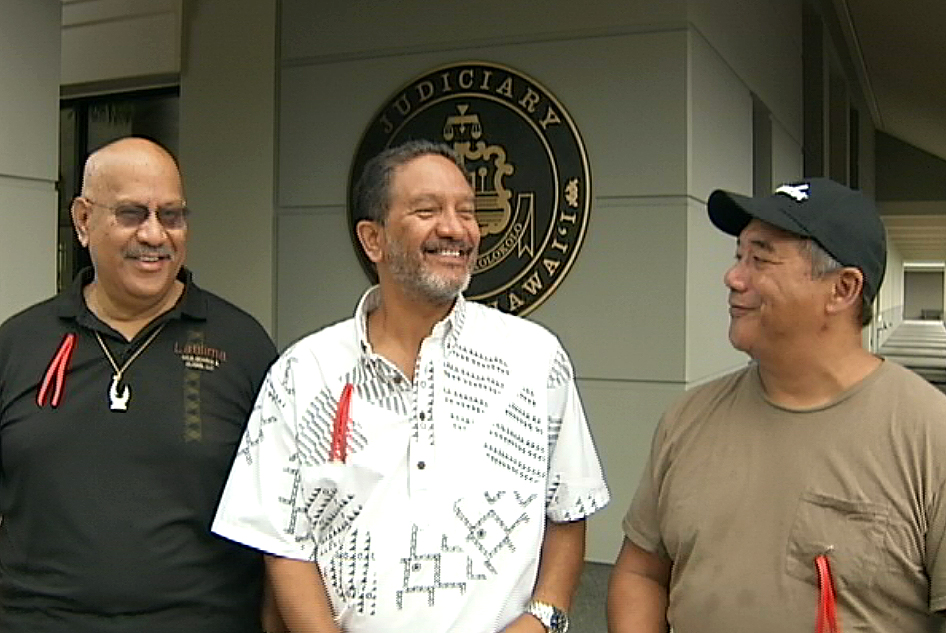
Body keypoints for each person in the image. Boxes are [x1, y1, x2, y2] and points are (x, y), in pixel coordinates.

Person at [212, 139, 609, 633]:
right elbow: (284, 543)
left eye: (467, 211)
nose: (455, 228)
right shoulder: (303, 372)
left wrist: (544, 618)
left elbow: (568, 508)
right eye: (427, 210)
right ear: (372, 239)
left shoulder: (535, 359)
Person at [607, 178, 946, 632]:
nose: (733, 277)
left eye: (761, 259)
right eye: (738, 256)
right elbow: (642, 573)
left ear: (843, 289)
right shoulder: (687, 419)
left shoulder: (929, 435)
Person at [0, 137, 279, 633]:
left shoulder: (243, 346)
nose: (155, 235)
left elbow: (281, 518)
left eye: (171, 216)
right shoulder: (19, 344)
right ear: (83, 220)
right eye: (131, 213)